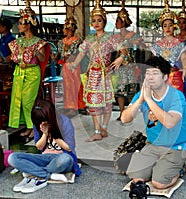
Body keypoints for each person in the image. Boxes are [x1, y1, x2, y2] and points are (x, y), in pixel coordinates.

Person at [121, 56, 186, 190]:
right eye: (147, 73)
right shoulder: (142, 94)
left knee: (159, 183)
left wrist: (149, 99)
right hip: (153, 144)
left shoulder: (176, 96)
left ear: (165, 77)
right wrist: (140, 99)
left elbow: (170, 123)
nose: (150, 77)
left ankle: (181, 168)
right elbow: (125, 119)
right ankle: (160, 166)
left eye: (155, 73)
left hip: (176, 146)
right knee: (137, 178)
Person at [68, 0, 124, 142]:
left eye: (99, 20)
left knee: (107, 103)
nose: (97, 23)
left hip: (106, 73)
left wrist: (120, 58)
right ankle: (97, 131)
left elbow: (124, 50)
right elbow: (81, 53)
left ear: (104, 21)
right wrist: (74, 65)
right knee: (94, 103)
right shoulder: (89, 38)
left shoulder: (111, 38)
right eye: (94, 20)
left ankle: (103, 128)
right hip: (92, 74)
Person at [8, 99, 82, 193]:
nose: (42, 123)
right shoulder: (38, 123)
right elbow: (39, 147)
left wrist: (53, 133)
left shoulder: (64, 121)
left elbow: (69, 148)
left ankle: (33, 172)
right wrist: (45, 134)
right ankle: (48, 175)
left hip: (61, 157)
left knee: (65, 159)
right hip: (44, 158)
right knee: (13, 157)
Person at [8, 1, 48, 138]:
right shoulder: (17, 42)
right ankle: (30, 127)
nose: (18, 26)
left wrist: (35, 51)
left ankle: (35, 128)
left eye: (21, 23)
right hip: (19, 71)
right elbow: (12, 57)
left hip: (32, 72)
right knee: (19, 100)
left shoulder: (38, 42)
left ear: (29, 25)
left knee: (28, 101)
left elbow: (42, 59)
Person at [150, 0, 186, 102]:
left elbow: (184, 58)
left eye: (170, 25)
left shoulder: (180, 44)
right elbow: (154, 63)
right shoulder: (156, 45)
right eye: (165, 25)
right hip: (160, 78)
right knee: (161, 105)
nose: (168, 28)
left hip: (176, 77)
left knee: (176, 104)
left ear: (174, 26)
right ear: (162, 28)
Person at [112, 0, 146, 121]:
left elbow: (142, 47)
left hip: (130, 65)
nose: (116, 23)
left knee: (131, 90)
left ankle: (131, 112)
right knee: (119, 91)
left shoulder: (132, 35)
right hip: (119, 66)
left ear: (123, 22)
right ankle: (122, 112)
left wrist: (135, 43)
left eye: (118, 21)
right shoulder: (114, 37)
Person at [55, 16, 85, 117]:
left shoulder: (78, 41)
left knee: (75, 86)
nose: (63, 30)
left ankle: (76, 106)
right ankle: (69, 106)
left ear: (70, 29)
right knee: (67, 87)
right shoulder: (61, 42)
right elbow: (58, 56)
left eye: (65, 28)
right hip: (65, 67)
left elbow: (79, 54)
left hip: (74, 67)